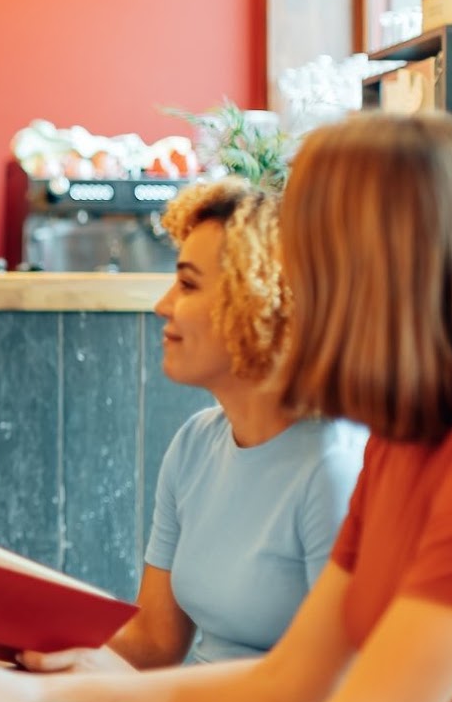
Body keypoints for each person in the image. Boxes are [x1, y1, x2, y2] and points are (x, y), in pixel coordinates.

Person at [0, 112, 452, 702]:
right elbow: (285, 678)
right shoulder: (400, 439)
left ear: (380, 269)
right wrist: (27, 701)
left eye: (311, 254)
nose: (291, 289)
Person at [20, 178, 366, 673]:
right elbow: (156, 642)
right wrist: (23, 641)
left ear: (257, 302)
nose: (162, 305)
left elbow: (330, 692)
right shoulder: (196, 442)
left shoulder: (333, 469)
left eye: (186, 283)